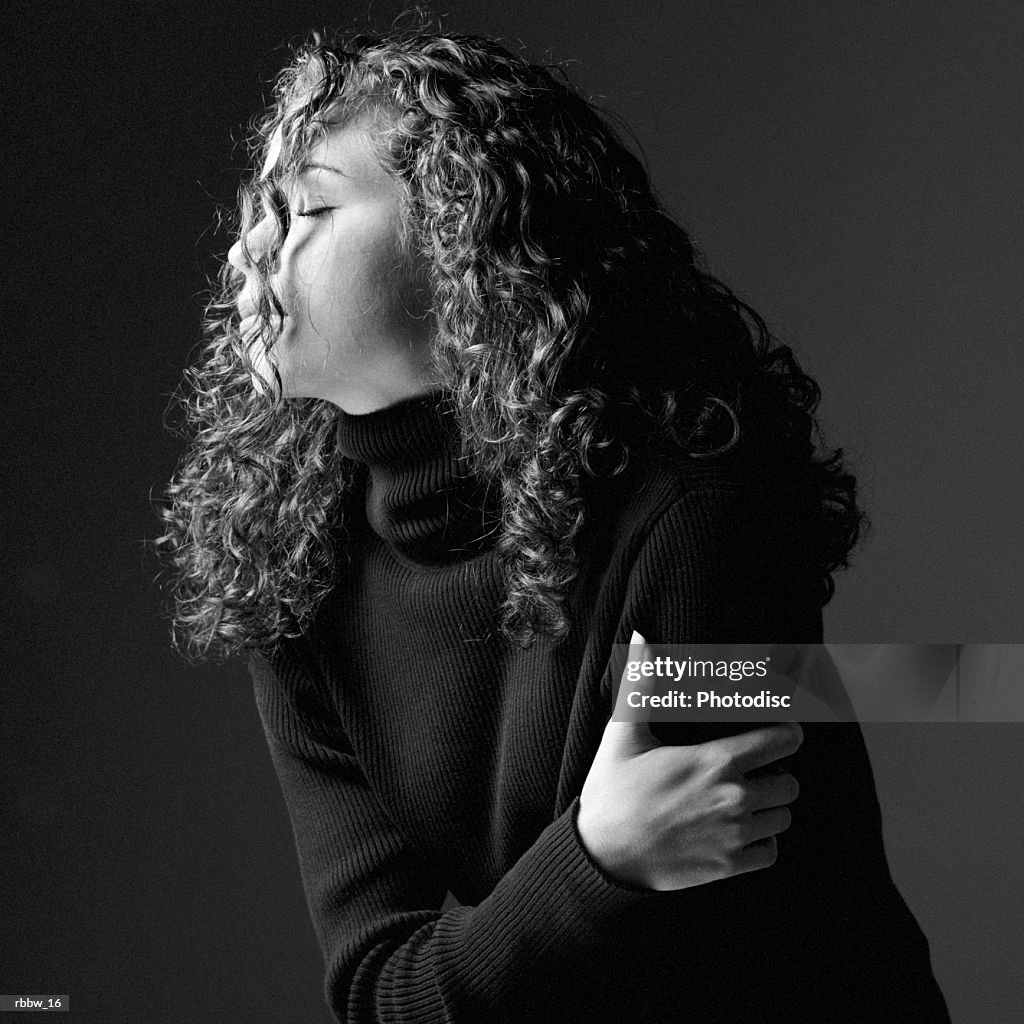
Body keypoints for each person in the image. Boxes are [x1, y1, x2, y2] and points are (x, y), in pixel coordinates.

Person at [154, 24, 951, 1023]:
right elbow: (377, 993)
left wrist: (954, 677)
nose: (250, 248)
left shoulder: (683, 511)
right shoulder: (295, 568)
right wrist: (595, 860)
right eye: (257, 209)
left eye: (310, 202)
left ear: (465, 248)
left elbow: (711, 952)